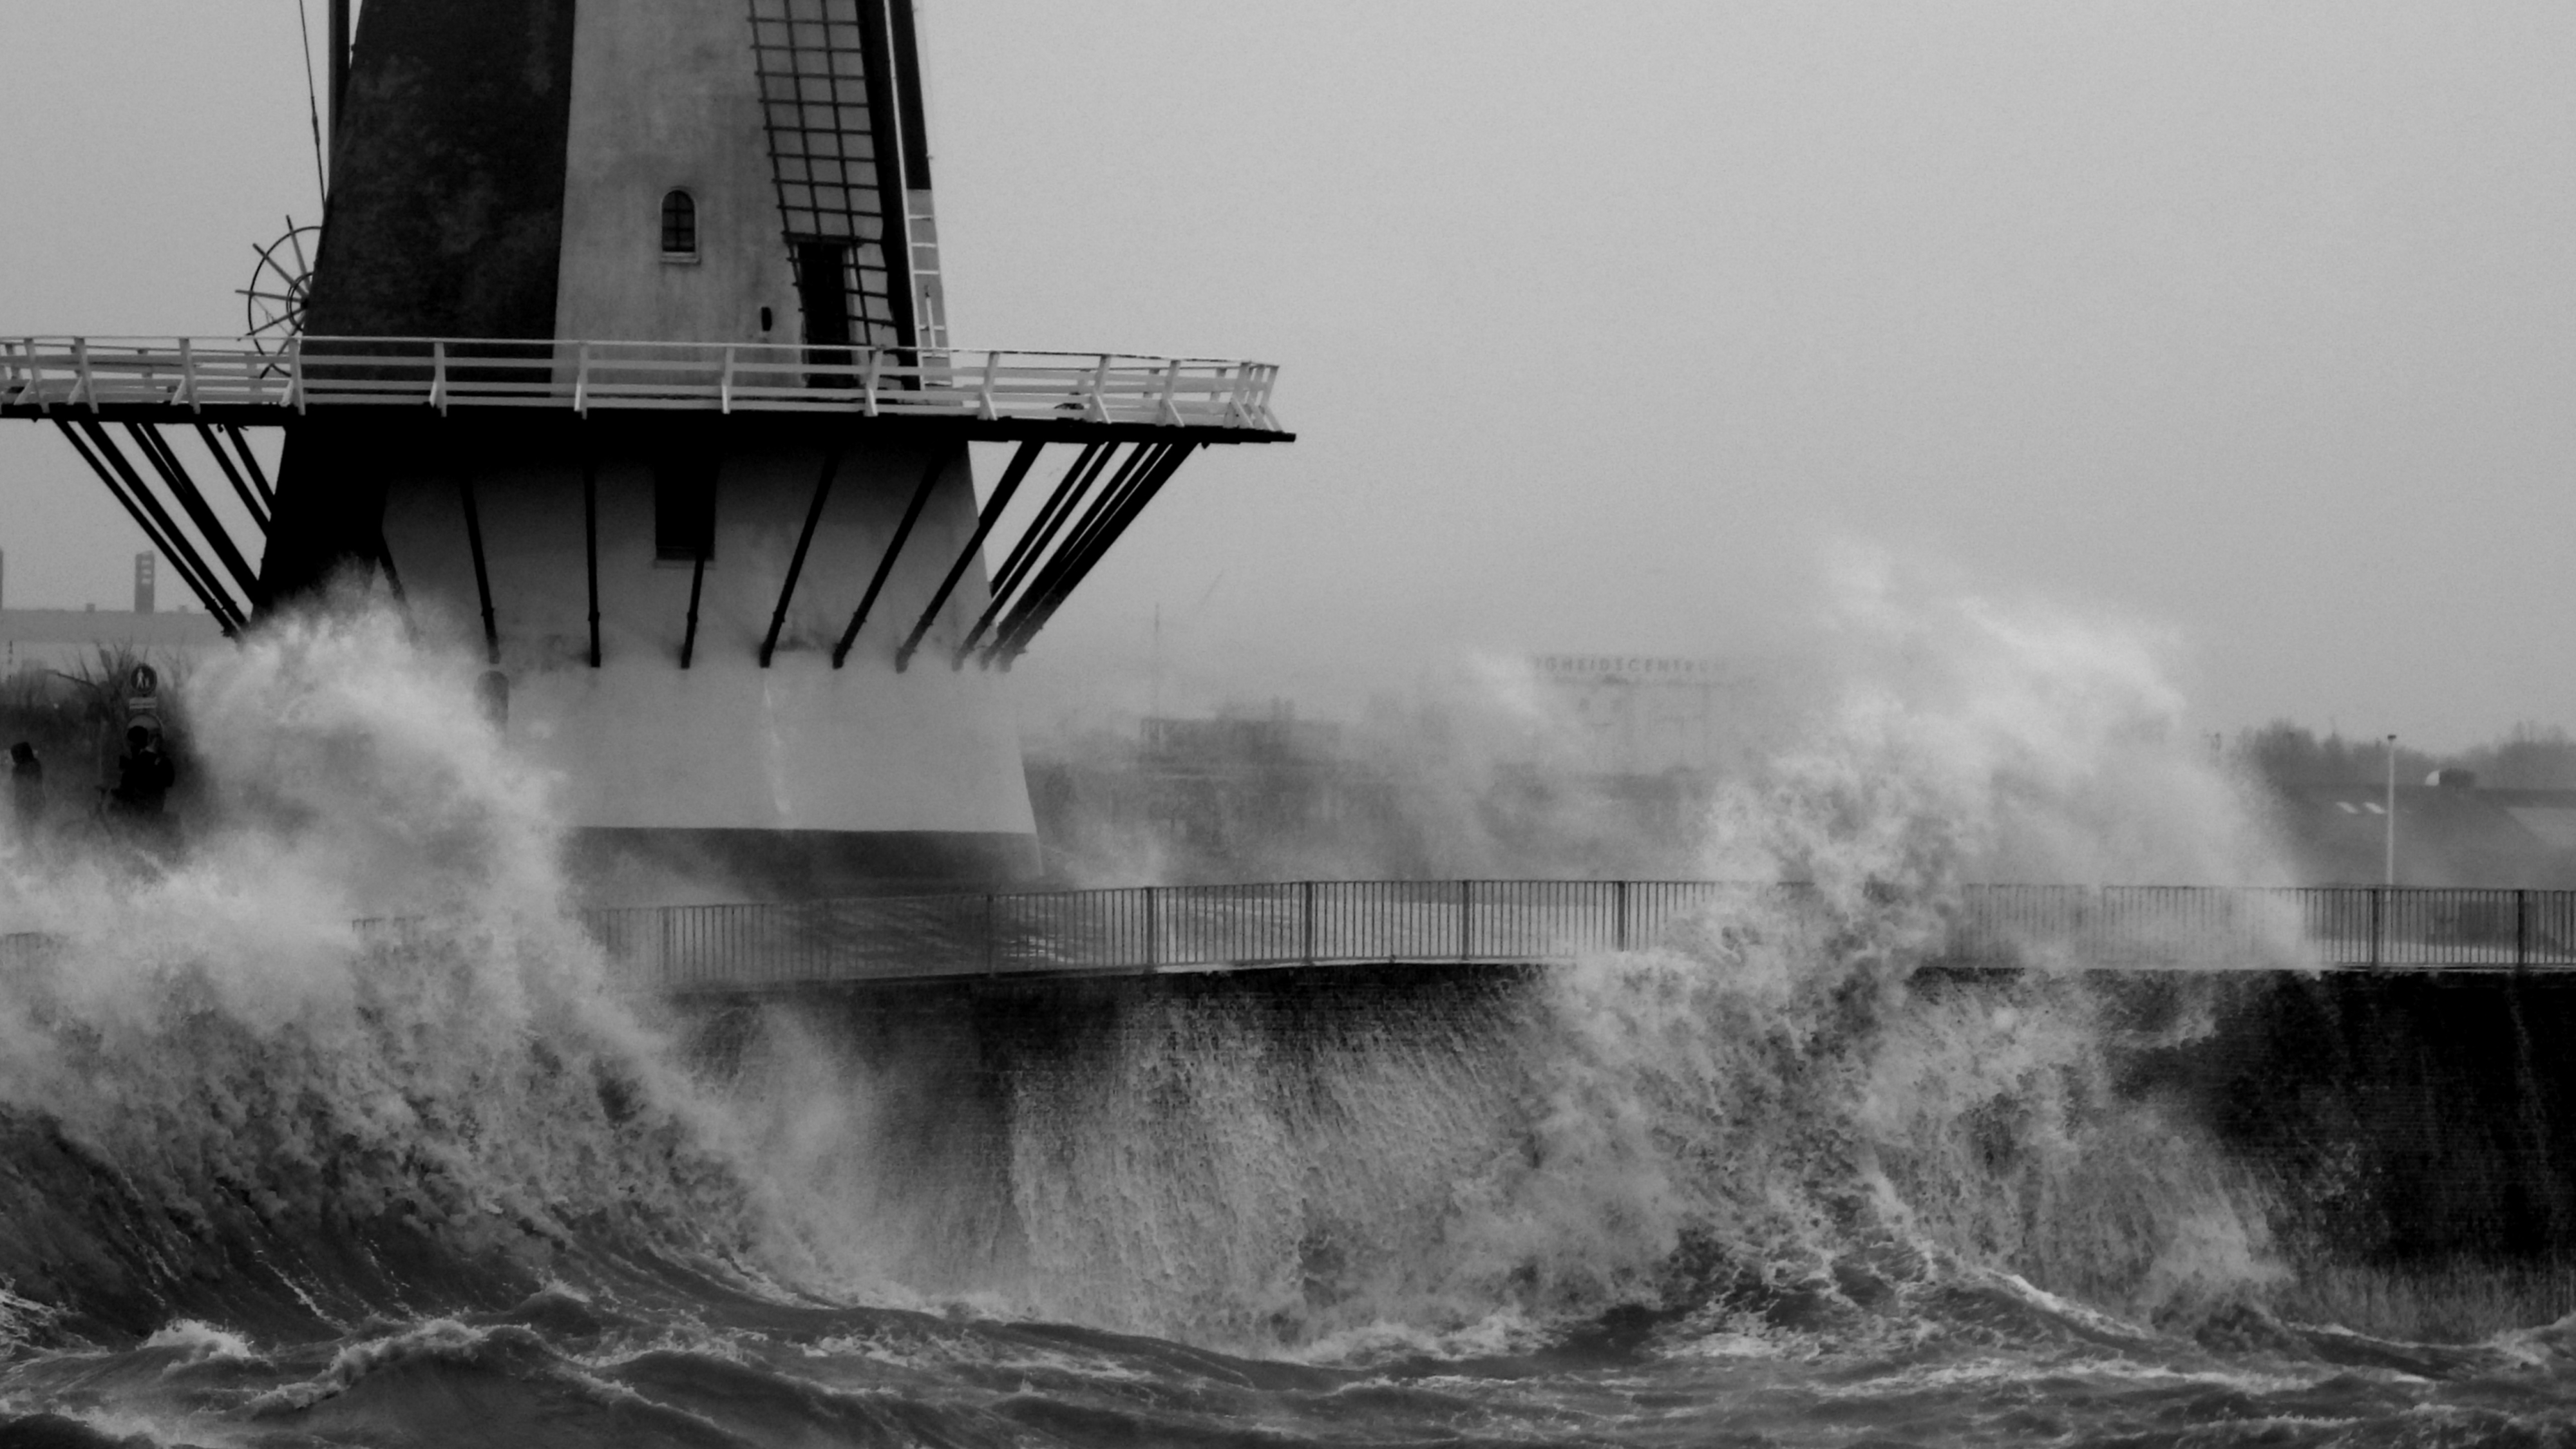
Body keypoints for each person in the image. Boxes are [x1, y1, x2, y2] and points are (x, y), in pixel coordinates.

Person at [111, 725, 175, 822]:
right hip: (155, 807)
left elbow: (129, 786)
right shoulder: (163, 760)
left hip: (139, 810)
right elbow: (169, 781)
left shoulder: (139, 762)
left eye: (130, 744)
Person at [7, 742, 39, 845]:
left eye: (15, 756)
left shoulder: (23, 769)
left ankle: (30, 855)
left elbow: (21, 787)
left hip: (28, 805)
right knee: (27, 833)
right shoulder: (33, 766)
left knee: (27, 833)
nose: (14, 759)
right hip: (29, 804)